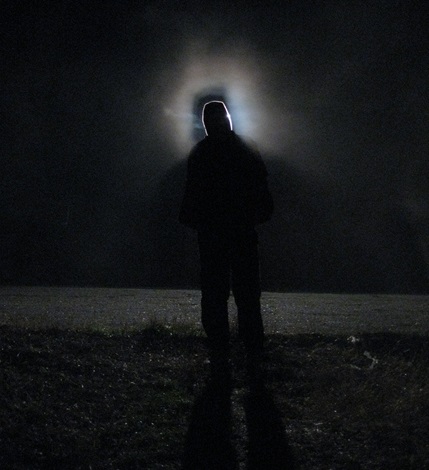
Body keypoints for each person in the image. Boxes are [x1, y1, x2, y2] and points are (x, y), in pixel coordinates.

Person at [179, 100, 273, 378]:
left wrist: (197, 221)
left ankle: (220, 354)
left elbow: (190, 199)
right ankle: (252, 354)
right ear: (228, 119)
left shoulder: (201, 152)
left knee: (214, 294)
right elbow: (263, 194)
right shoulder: (246, 147)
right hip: (241, 232)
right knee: (247, 294)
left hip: (212, 234)